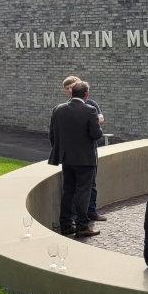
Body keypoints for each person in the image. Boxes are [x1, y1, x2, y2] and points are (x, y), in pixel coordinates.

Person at [47, 80, 103, 238]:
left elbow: (52, 135)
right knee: (83, 192)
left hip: (66, 158)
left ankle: (65, 225)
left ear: (72, 93)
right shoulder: (90, 110)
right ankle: (82, 227)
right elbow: (96, 135)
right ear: (86, 95)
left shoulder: (58, 109)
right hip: (85, 159)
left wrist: (61, 151)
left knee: (68, 191)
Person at [63, 75, 108, 222]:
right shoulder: (66, 107)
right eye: (68, 88)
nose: (70, 90)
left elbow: (101, 119)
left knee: (88, 185)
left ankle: (89, 212)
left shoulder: (90, 105)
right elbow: (96, 131)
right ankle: (80, 221)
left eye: (72, 87)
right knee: (78, 188)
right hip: (82, 154)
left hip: (78, 153)